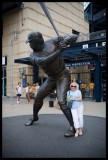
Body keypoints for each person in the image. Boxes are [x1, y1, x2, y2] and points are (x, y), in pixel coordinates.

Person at [25, 31, 78, 137]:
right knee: (38, 97)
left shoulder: (53, 41)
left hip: (62, 75)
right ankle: (35, 117)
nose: (29, 45)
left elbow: (75, 37)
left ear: (37, 42)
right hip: (51, 78)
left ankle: (73, 127)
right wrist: (59, 50)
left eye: (30, 42)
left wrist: (65, 40)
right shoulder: (32, 55)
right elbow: (43, 62)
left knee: (62, 101)